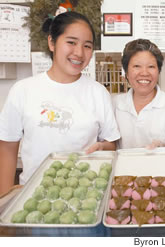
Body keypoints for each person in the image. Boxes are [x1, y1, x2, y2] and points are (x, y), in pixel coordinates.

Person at [0, 11, 120, 195]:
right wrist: (5, 202)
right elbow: (7, 148)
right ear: (52, 42)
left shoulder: (98, 92)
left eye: (87, 46)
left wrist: (102, 147)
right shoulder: (23, 90)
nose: (79, 53)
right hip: (33, 196)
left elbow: (111, 144)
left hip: (87, 196)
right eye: (71, 42)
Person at [88, 39, 165, 151]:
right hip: (123, 168)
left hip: (161, 168)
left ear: (158, 71)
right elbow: (110, 145)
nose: (144, 73)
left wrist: (164, 149)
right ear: (126, 72)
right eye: (137, 66)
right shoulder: (114, 104)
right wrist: (101, 146)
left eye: (151, 66)